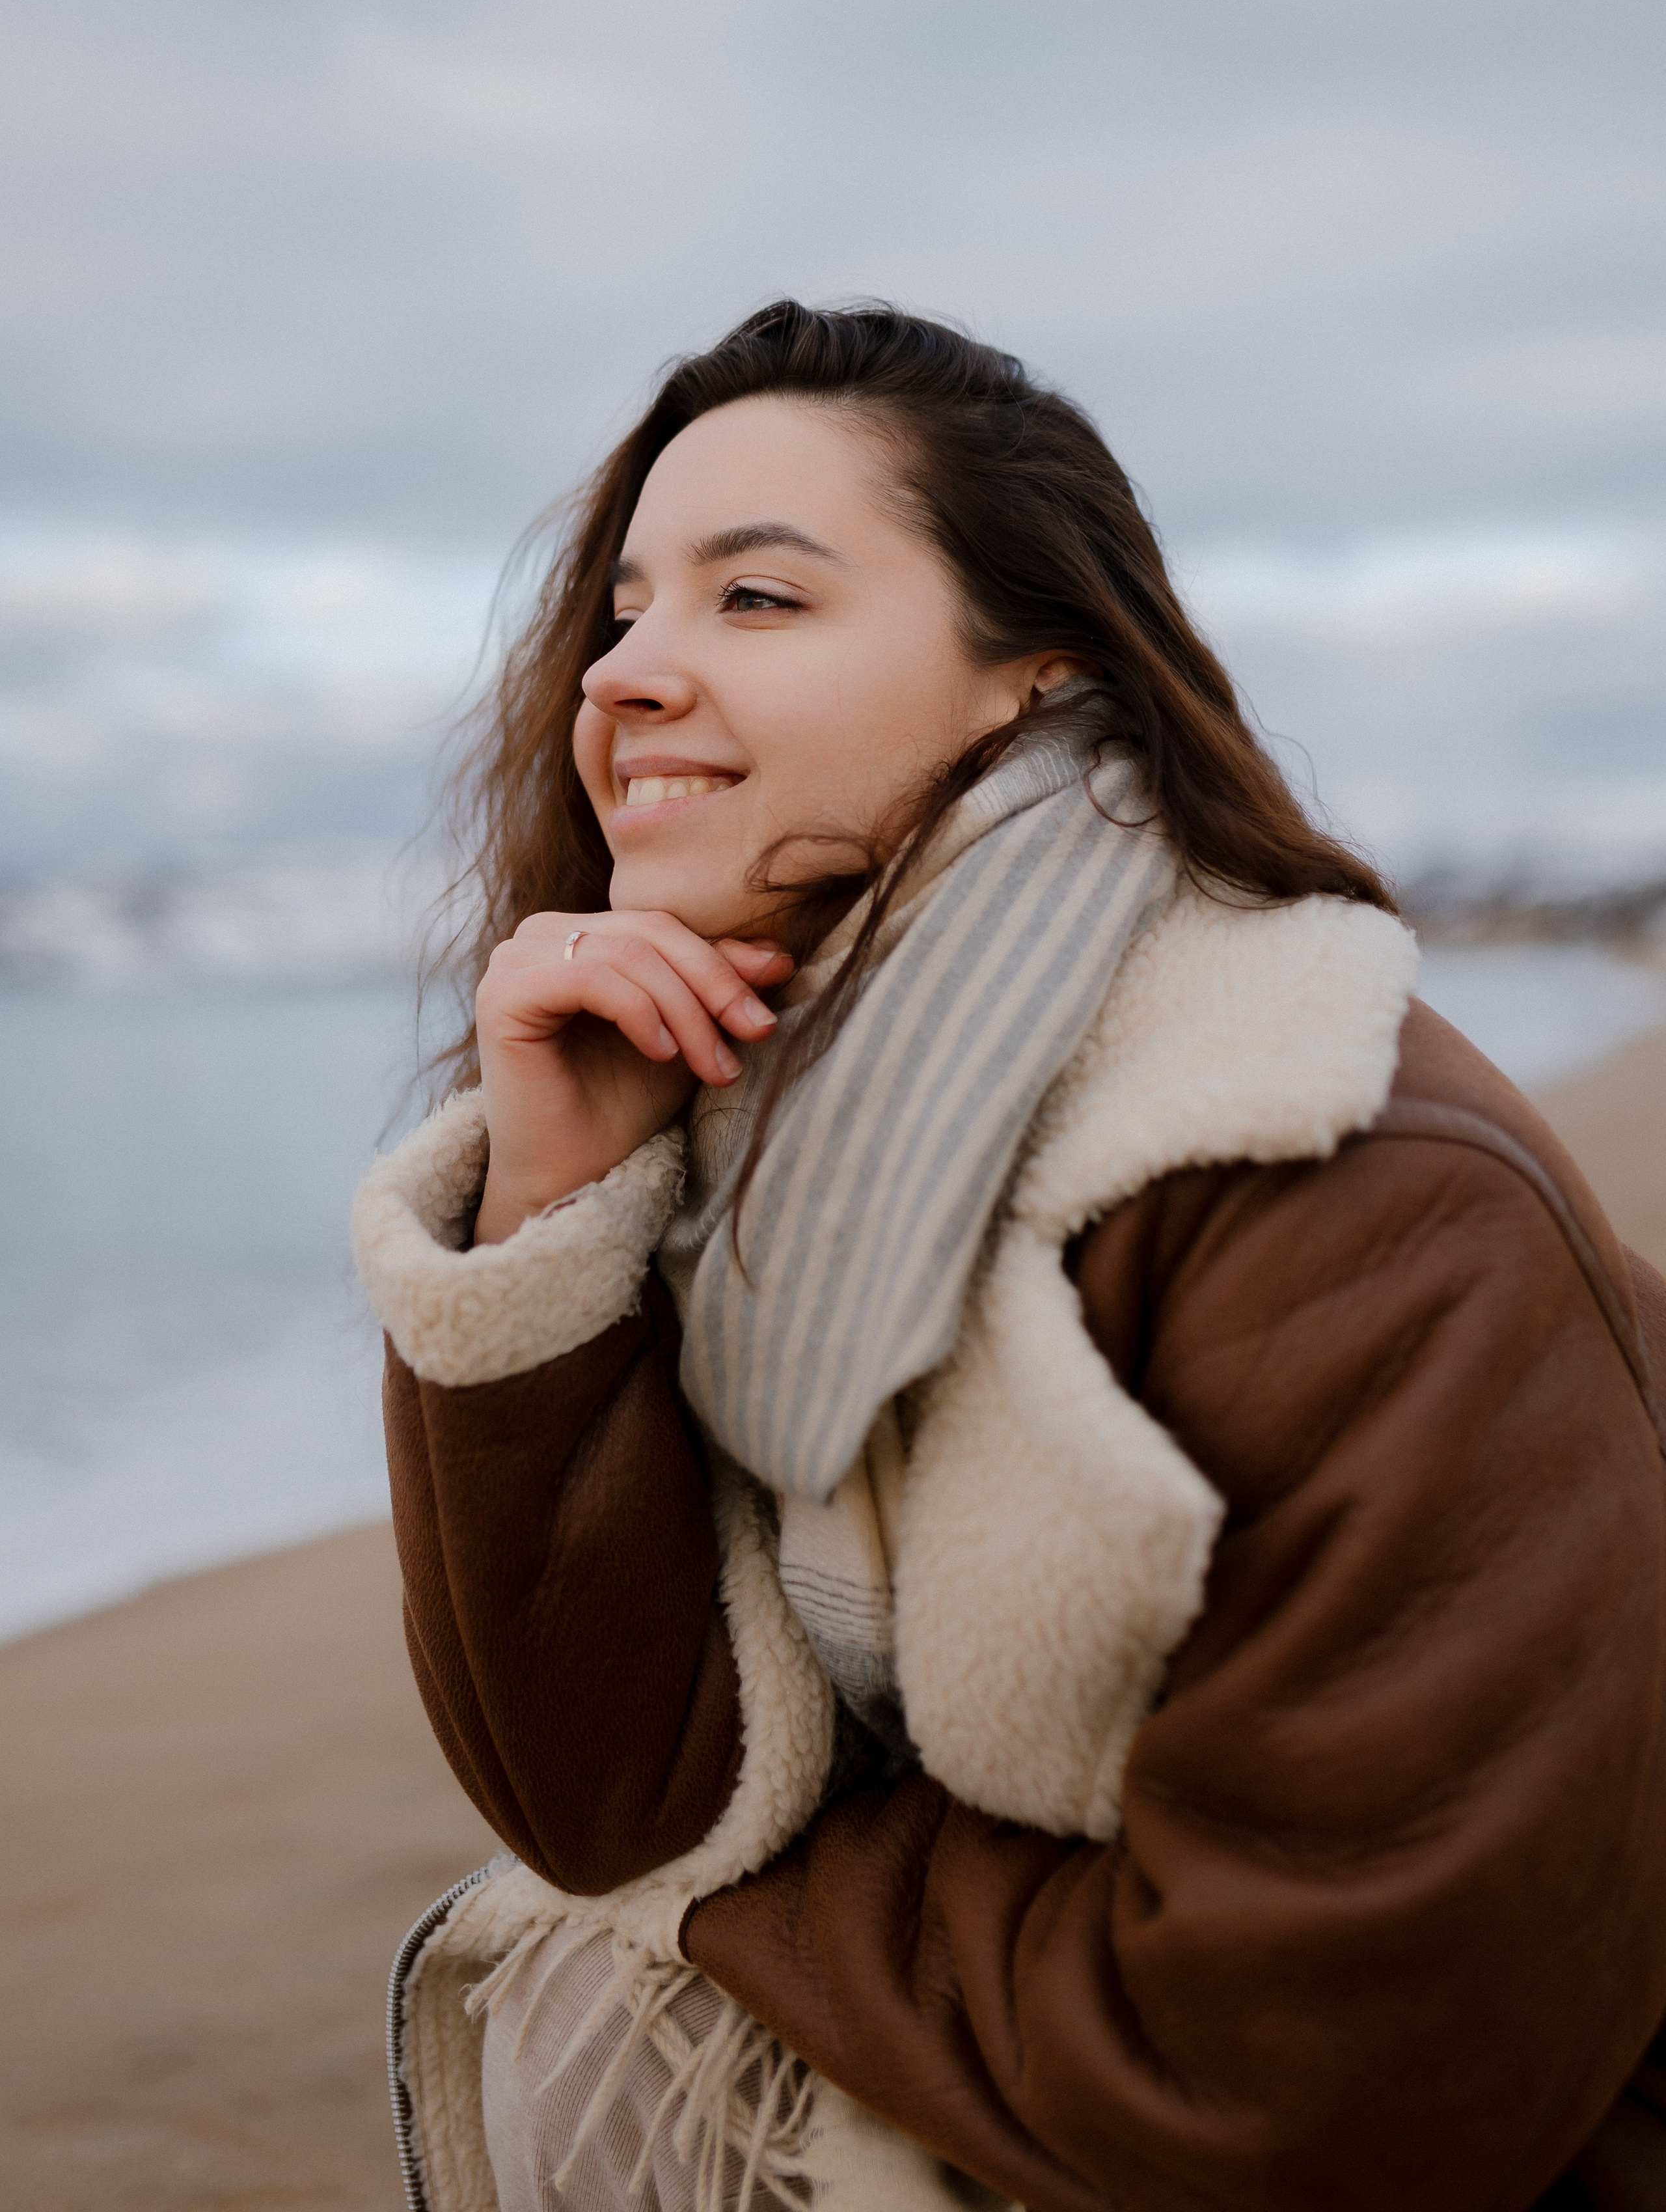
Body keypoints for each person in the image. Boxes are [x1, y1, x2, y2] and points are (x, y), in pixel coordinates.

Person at [352, 302, 1666, 2212]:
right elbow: (604, 1802)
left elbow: (1339, 2088)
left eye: (761, 600)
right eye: (629, 606)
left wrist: (744, 1900)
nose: (626, 674)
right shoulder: (783, 1122)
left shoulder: (1337, 1188)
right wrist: (551, 1206)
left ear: (1034, 674)